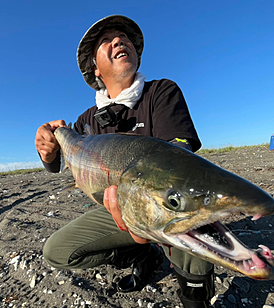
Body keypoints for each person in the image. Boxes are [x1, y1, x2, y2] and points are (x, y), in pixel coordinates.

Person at [35, 15, 215, 308]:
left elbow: (180, 155)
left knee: (190, 208)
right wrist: (48, 149)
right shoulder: (84, 122)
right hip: (113, 208)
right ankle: (140, 255)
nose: (118, 41)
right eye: (106, 41)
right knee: (57, 251)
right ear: (95, 68)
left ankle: (195, 296)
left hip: (159, 199)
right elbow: (56, 165)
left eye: (124, 38)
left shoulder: (161, 93)